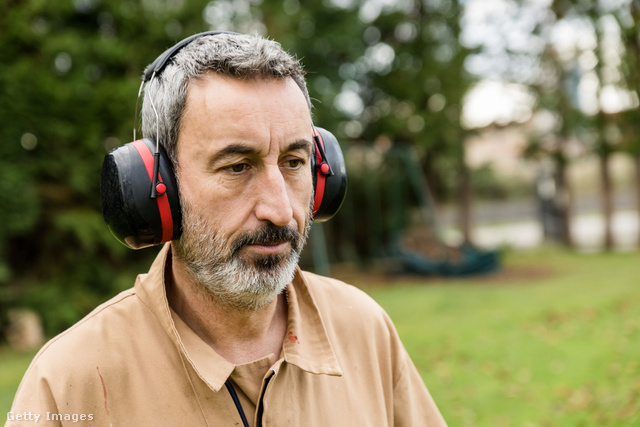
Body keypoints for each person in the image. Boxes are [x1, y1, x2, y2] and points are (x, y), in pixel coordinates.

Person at [7, 32, 447, 427]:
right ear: (159, 188)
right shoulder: (66, 384)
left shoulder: (365, 329)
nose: (280, 210)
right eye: (237, 166)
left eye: (294, 162)